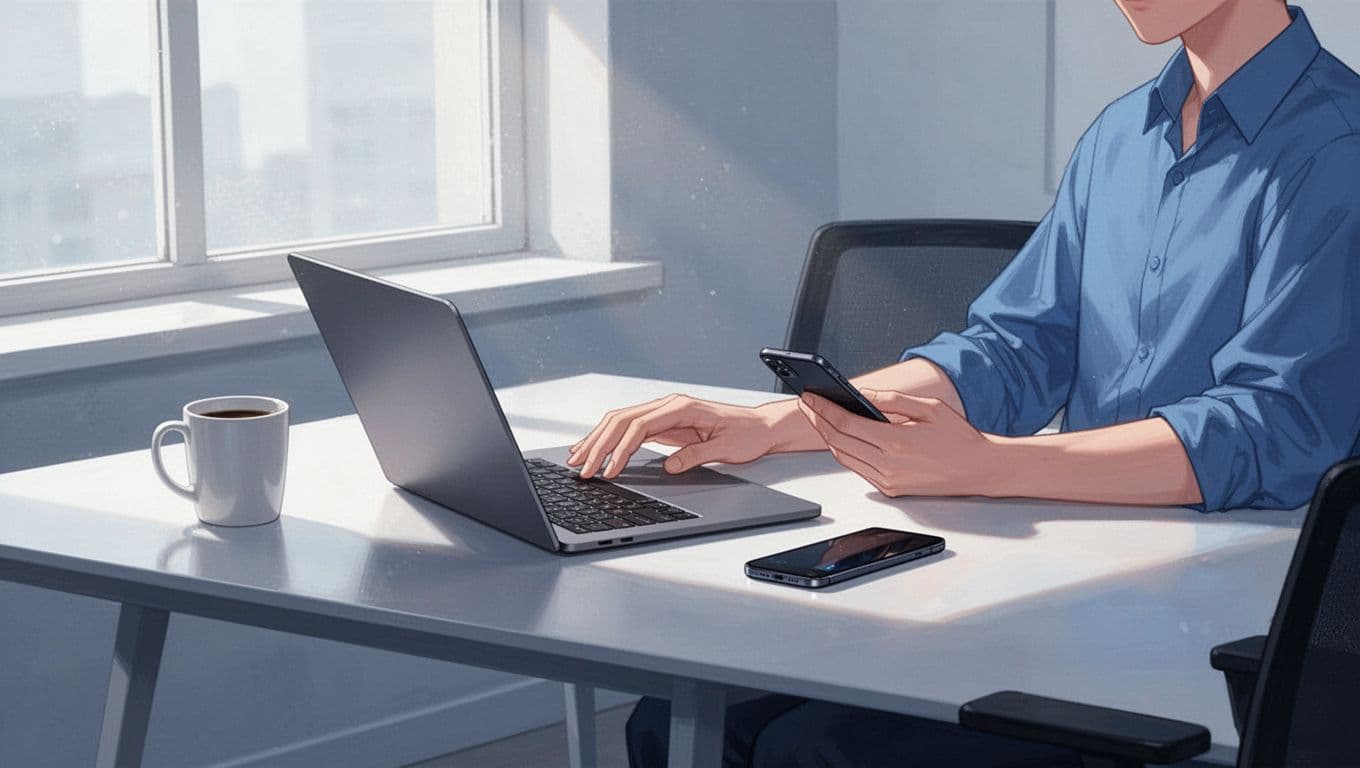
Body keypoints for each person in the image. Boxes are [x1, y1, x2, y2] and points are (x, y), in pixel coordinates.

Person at [571, 0, 1360, 765]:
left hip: (1230, 615)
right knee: (679, 724)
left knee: (812, 749)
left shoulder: (1339, 147)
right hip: (1076, 574)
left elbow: (1272, 427)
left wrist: (992, 465)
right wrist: (777, 423)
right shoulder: (1122, 136)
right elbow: (1012, 348)